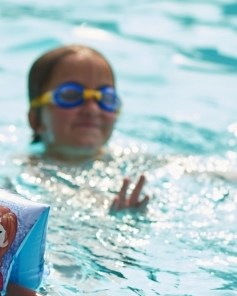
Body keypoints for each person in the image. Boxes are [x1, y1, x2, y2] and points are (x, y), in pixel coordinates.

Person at [26, 45, 149, 212]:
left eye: (105, 98)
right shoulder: (28, 177)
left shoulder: (130, 162)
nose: (92, 109)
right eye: (71, 96)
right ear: (36, 120)